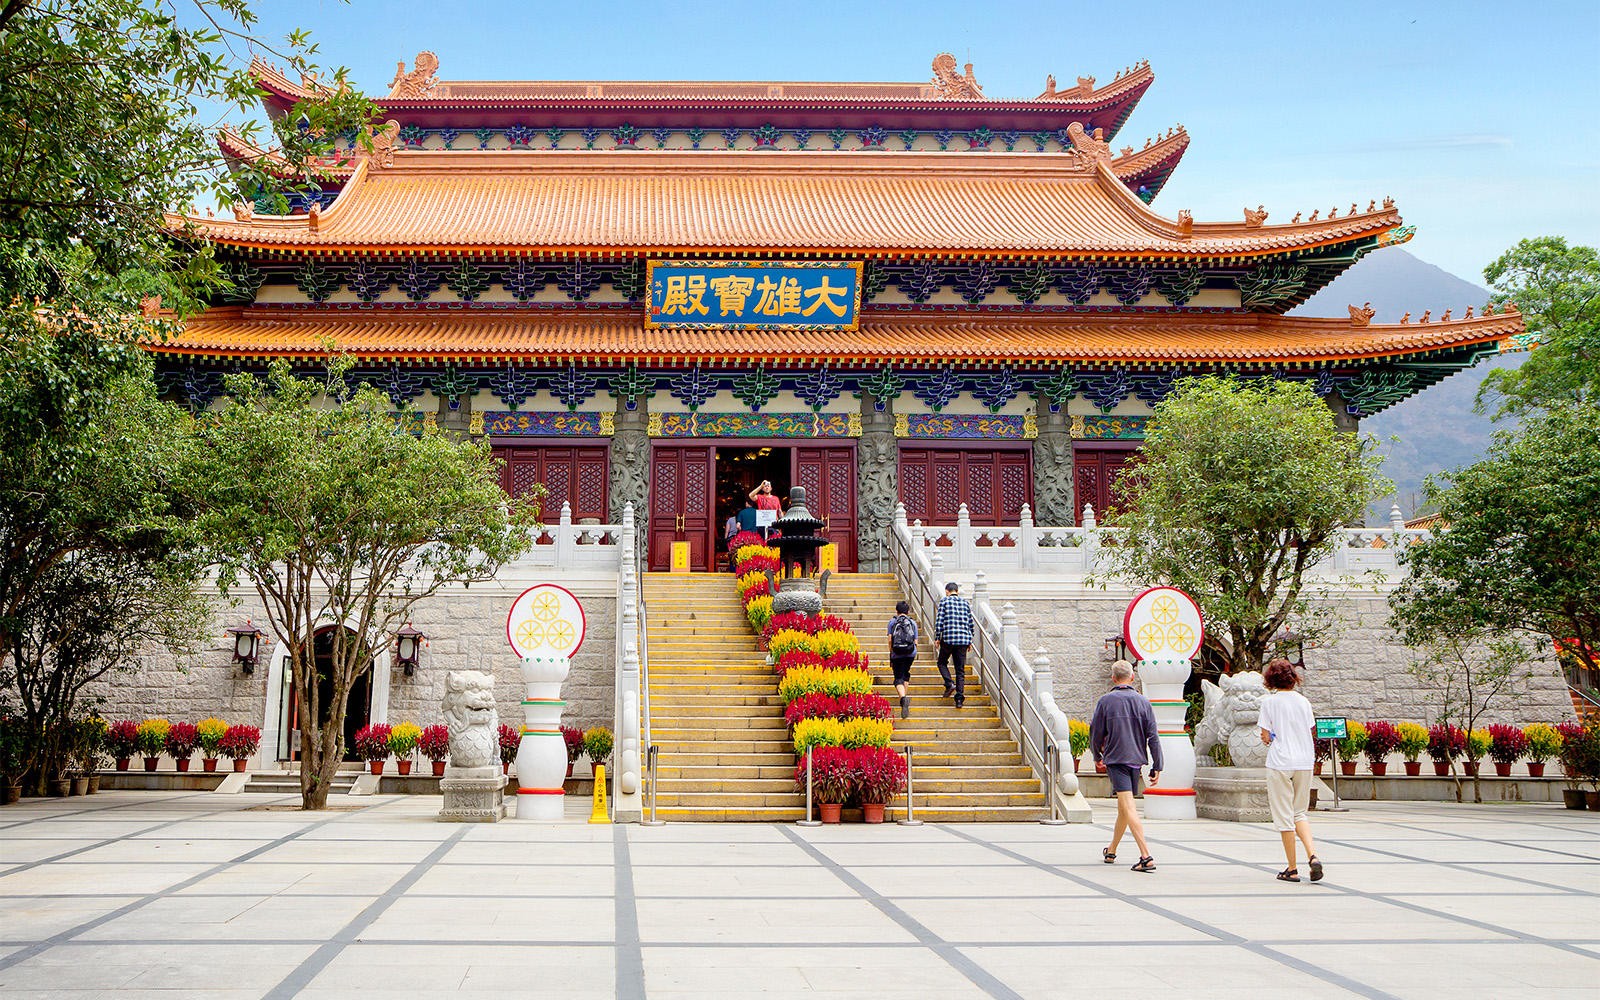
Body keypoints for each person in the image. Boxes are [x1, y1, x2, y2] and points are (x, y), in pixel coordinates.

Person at [1089, 659, 1161, 872]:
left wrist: (1097, 754)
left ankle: (1146, 856)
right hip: (1136, 760)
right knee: (1124, 807)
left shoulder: (1106, 701)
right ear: (1132, 677)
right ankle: (1111, 850)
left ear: (1113, 678)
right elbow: (1153, 736)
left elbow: (1096, 732)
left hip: (1116, 759)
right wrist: (1157, 764)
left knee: (1128, 807)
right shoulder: (1143, 702)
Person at [1259, 657, 1321, 882]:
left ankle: (1292, 869)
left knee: (1285, 817)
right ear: (1293, 678)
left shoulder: (1269, 702)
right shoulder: (1303, 701)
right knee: (1299, 813)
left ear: (1270, 679)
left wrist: (1269, 737)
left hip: (1280, 763)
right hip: (1304, 761)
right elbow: (1309, 727)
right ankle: (1312, 856)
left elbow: (1265, 735)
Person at [933, 581, 974, 708]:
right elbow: (971, 624)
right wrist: (970, 640)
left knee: (941, 662)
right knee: (960, 670)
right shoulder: (965, 603)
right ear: (957, 591)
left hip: (948, 639)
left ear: (947, 591)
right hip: (963, 640)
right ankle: (959, 699)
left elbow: (939, 621)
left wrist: (937, 638)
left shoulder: (944, 602)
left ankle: (949, 683)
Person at [887, 600, 918, 718]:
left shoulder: (892, 622)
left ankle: (903, 698)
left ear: (897, 611)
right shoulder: (912, 622)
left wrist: (891, 652)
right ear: (908, 611)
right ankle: (904, 698)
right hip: (910, 652)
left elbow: (890, 640)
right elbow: (915, 641)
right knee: (906, 673)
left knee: (898, 677)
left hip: (897, 652)